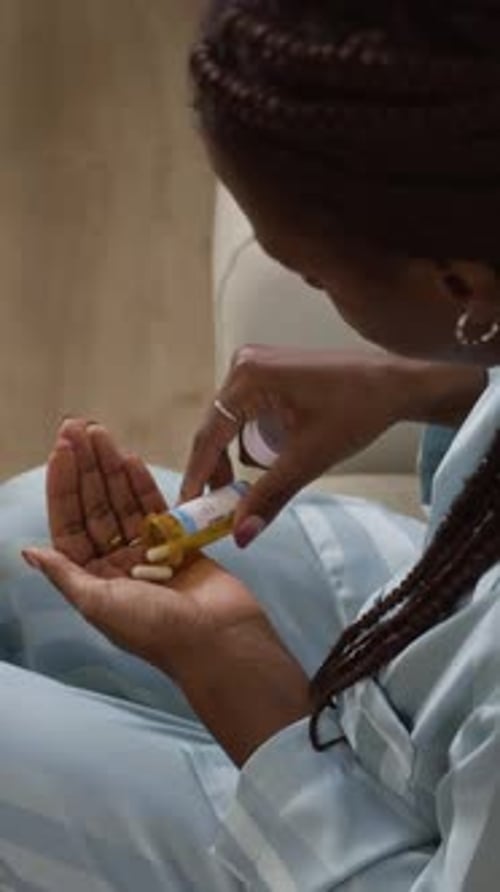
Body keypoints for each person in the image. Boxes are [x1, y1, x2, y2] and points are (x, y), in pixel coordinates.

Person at [2, 2, 500, 888]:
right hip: (436, 669)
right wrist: (430, 378)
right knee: (26, 529)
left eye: (314, 275)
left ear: (461, 278)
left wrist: (229, 664)